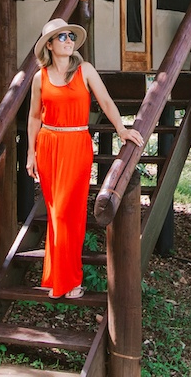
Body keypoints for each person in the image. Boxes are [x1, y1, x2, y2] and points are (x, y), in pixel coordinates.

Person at [25, 18, 144, 300]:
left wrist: (122, 129)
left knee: (70, 212)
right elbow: (32, 116)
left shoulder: (85, 70)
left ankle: (70, 280)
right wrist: (31, 152)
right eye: (61, 37)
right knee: (55, 213)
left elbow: (105, 102)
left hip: (77, 144)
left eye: (70, 36)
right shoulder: (40, 77)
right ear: (50, 46)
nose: (68, 40)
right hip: (48, 144)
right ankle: (56, 278)